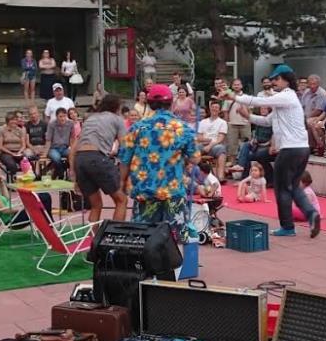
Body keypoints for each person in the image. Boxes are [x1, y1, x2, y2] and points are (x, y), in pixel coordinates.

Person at [225, 65, 321, 238]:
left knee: (282, 188)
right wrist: (248, 117)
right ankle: (311, 214)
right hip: (301, 149)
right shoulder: (285, 100)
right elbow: (267, 121)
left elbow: (260, 101)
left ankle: (288, 227)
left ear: (286, 80)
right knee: (293, 185)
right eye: (272, 79)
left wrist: (234, 96)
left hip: (290, 149)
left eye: (277, 79)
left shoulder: (286, 96)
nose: (273, 82)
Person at [118, 84, 200, 237]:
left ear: (149, 103)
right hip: (173, 191)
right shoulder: (182, 128)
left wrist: (122, 183)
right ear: (171, 103)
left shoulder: (137, 127)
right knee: (179, 236)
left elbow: (124, 159)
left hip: (144, 190)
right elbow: (195, 158)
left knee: (142, 237)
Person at [73, 94, 128, 223]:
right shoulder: (117, 119)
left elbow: (73, 148)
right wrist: (123, 176)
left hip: (80, 159)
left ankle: (93, 235)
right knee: (121, 200)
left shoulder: (90, 119)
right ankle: (114, 233)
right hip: (97, 157)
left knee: (96, 205)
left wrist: (74, 176)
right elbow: (125, 147)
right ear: (117, 107)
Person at [196, 99, 229, 178]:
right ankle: (194, 174)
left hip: (215, 146)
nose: (214, 109)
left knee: (221, 149)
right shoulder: (203, 122)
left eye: (216, 107)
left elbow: (220, 139)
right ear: (210, 109)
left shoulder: (222, 122)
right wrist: (207, 140)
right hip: (203, 144)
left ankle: (220, 176)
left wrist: (210, 145)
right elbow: (199, 137)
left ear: (219, 110)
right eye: (213, 107)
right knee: (192, 148)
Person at [0, 110, 30, 176]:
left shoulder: (20, 130)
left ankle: (29, 178)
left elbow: (23, 145)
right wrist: (11, 153)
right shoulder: (2, 130)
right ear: (8, 121)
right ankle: (13, 179)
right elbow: (1, 146)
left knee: (27, 163)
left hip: (18, 152)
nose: (14, 121)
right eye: (12, 120)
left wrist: (19, 152)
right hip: (6, 153)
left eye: (15, 120)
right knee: (12, 165)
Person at [45, 107, 76, 179]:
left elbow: (72, 137)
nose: (63, 118)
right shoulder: (51, 124)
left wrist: (72, 148)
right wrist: (45, 152)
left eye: (64, 116)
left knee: (73, 155)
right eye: (60, 116)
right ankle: (61, 173)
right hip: (54, 148)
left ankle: (69, 174)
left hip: (65, 148)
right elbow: (48, 139)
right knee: (56, 158)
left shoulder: (70, 123)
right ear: (56, 117)